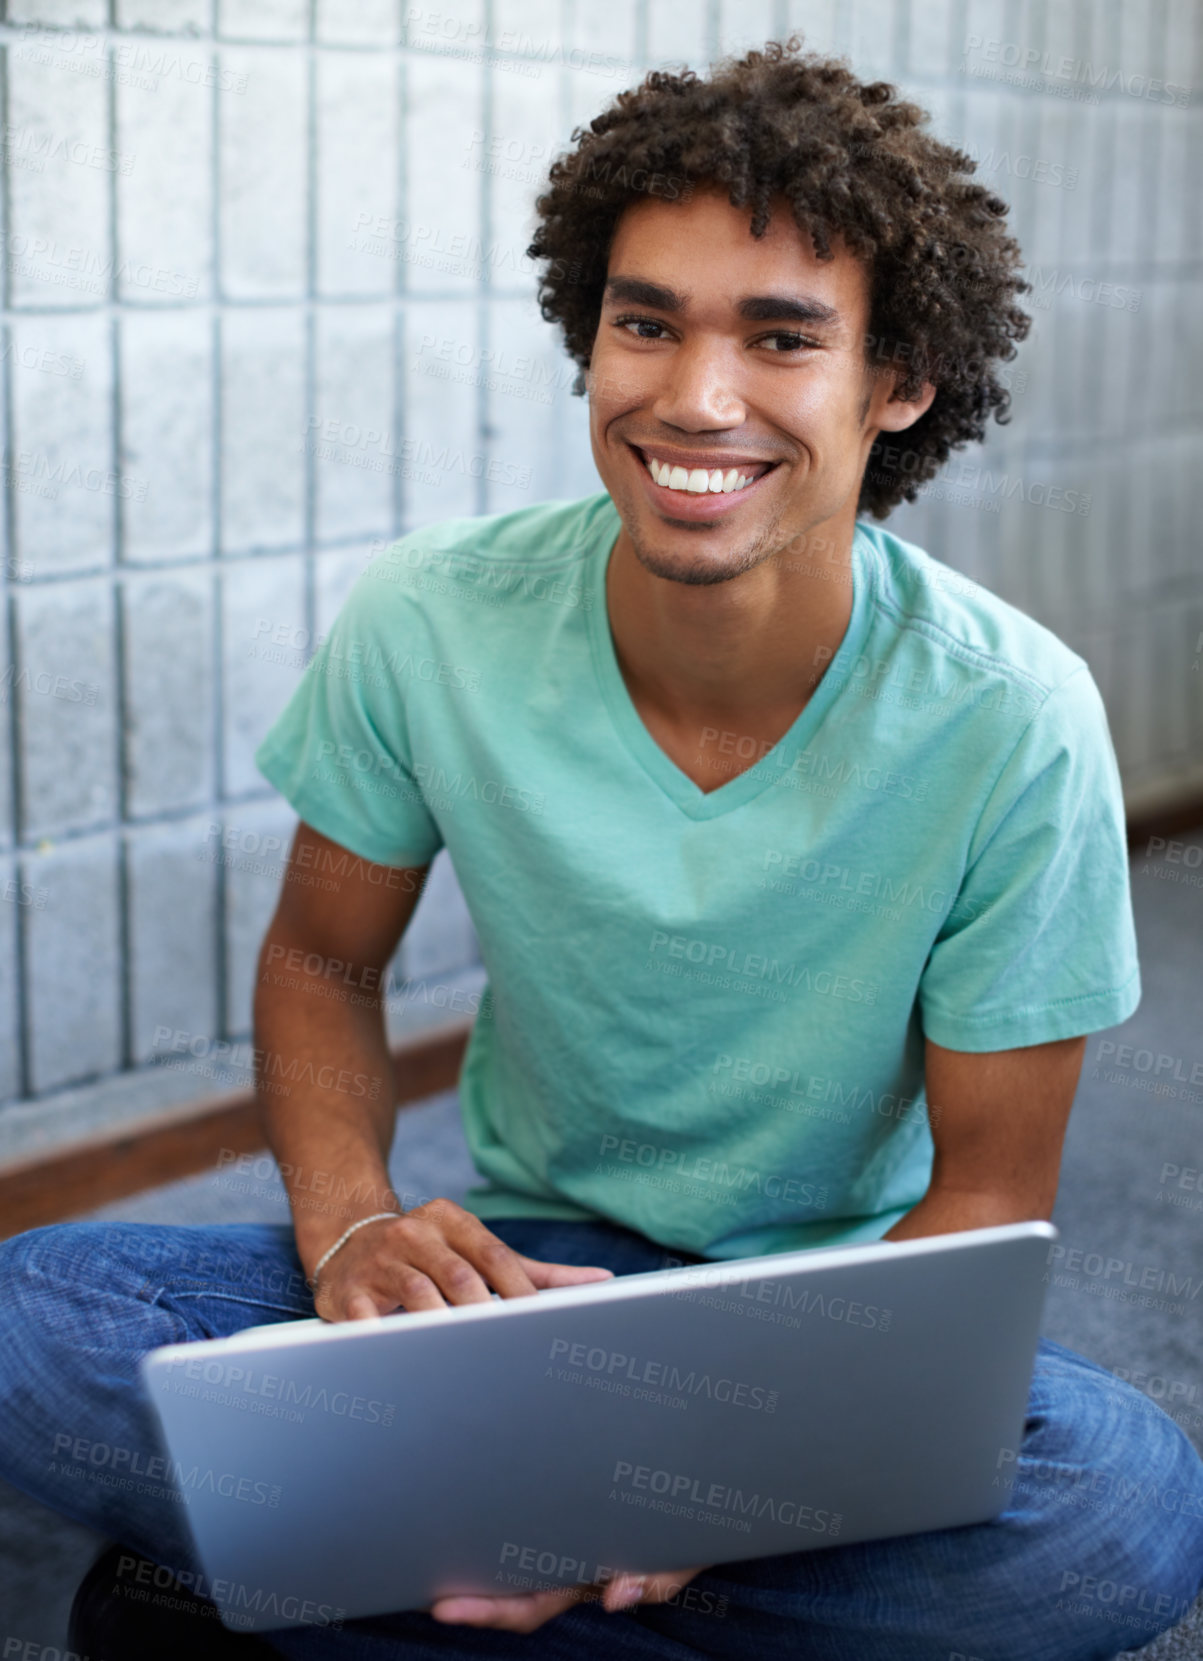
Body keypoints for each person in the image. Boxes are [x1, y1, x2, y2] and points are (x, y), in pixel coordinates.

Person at [2, 34, 1201, 1661]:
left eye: (782, 339)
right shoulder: (435, 616)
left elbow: (988, 1194)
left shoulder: (1012, 719)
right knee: (32, 1318)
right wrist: (353, 1221)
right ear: (594, 336)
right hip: (508, 1280)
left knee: (1124, 1505)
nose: (694, 397)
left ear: (897, 383)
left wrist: (696, 1479)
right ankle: (476, 1567)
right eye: (649, 322)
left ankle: (305, 1580)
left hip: (821, 1331)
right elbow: (320, 958)